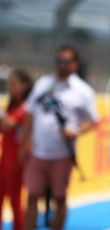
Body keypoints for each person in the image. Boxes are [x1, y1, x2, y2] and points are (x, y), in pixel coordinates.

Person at [21, 45, 98, 230]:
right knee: (32, 197)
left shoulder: (83, 90)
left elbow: (94, 121)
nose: (61, 65)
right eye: (58, 61)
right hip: (38, 153)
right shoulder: (43, 83)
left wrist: (76, 130)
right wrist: (24, 145)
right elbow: (29, 114)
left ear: (75, 64)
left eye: (65, 61)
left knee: (59, 198)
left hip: (62, 155)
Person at [0, 70, 33, 230]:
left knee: (15, 201)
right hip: (5, 159)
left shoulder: (26, 107)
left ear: (25, 85)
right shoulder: (11, 105)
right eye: (9, 84)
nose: (10, 87)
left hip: (16, 162)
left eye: (14, 83)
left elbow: (8, 124)